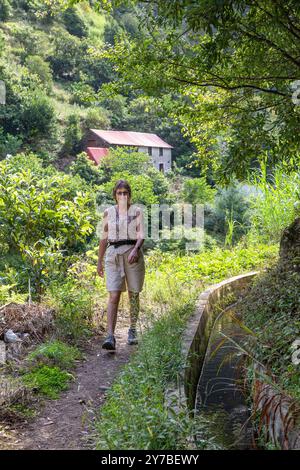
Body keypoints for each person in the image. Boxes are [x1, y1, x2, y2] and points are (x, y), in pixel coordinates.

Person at [97, 180, 145, 351]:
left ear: (129, 195)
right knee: (114, 295)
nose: (122, 196)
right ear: (115, 195)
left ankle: (132, 329)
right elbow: (103, 238)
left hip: (132, 254)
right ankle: (110, 335)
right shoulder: (108, 213)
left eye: (125, 193)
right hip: (113, 255)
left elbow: (141, 235)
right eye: (119, 193)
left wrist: (136, 249)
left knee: (134, 293)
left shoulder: (136, 211)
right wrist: (99, 262)